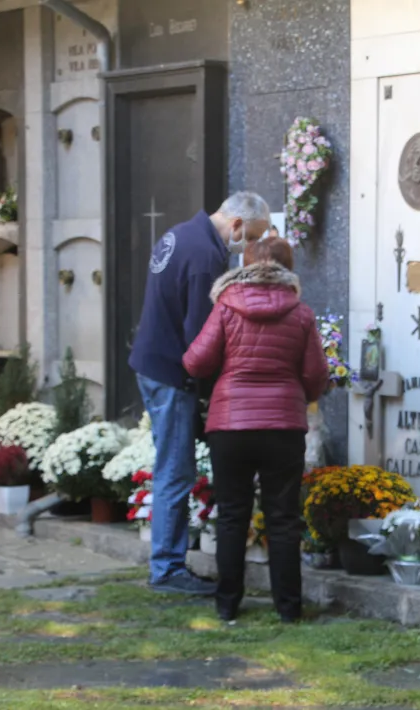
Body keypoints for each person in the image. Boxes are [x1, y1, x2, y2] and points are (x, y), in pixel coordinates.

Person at [129, 192, 271, 595]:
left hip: (152, 361)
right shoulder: (205, 256)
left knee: (171, 466)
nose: (249, 248)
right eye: (252, 238)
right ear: (238, 226)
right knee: (175, 471)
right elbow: (200, 336)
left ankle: (167, 562)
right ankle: (168, 569)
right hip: (171, 372)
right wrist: (217, 387)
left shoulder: (181, 235)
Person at [182, 237, 329, 622]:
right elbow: (316, 374)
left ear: (242, 265)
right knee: (283, 517)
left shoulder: (226, 308)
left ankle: (227, 605)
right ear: (288, 268)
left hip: (230, 424)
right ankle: (289, 609)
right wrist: (299, 395)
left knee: (232, 514)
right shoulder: (301, 313)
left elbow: (196, 362)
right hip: (283, 425)